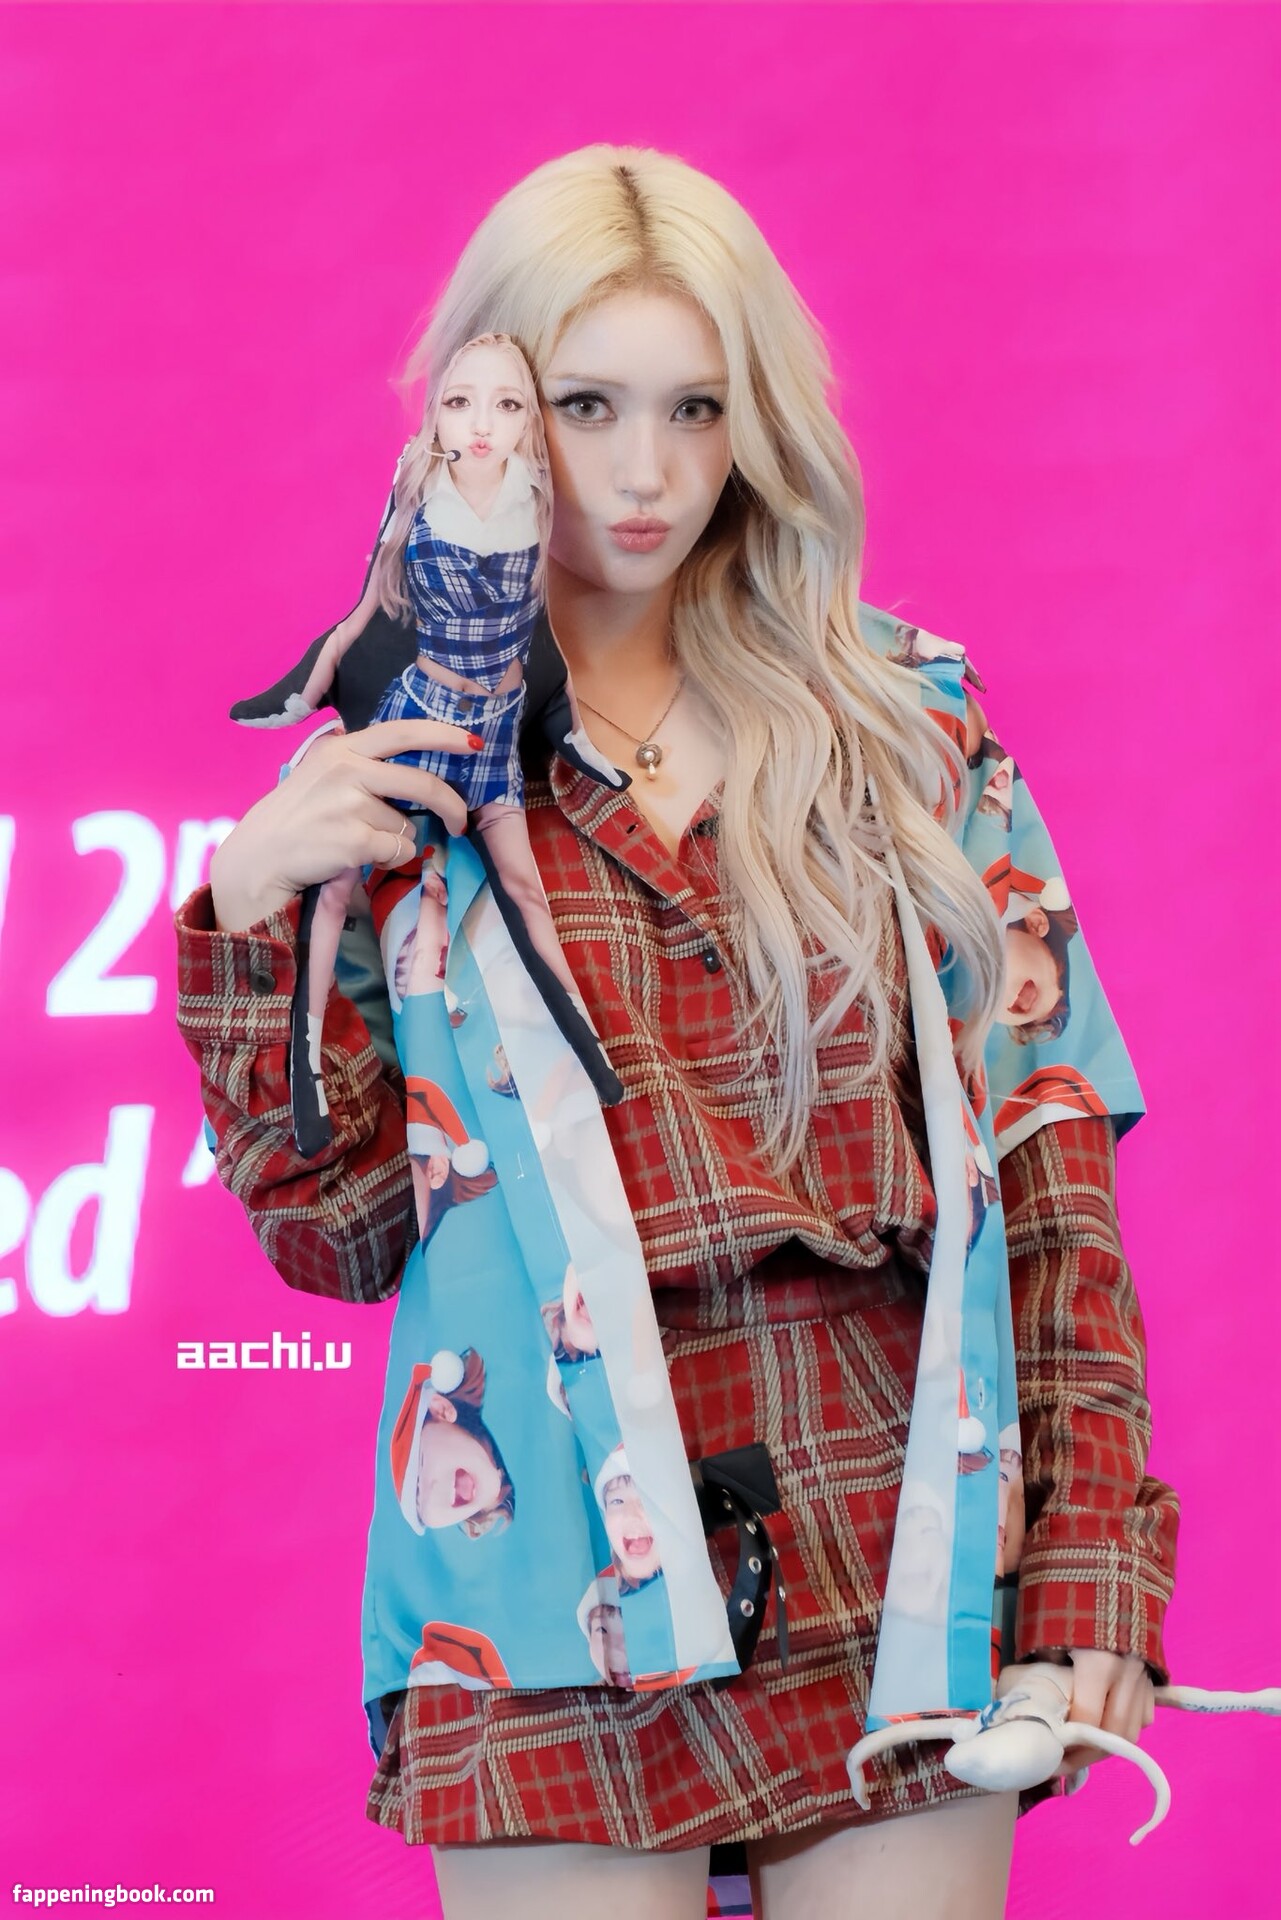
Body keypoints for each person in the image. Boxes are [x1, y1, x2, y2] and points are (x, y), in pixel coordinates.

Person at [176, 144, 1178, 1920]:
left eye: (695, 407)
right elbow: (337, 1237)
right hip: (542, 1567)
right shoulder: (395, 771)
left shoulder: (906, 727)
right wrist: (257, 908)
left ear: (755, 422)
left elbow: (1050, 1182)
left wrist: (1093, 1556)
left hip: (891, 1537)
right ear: (486, 412)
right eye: (586, 406)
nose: (643, 474)